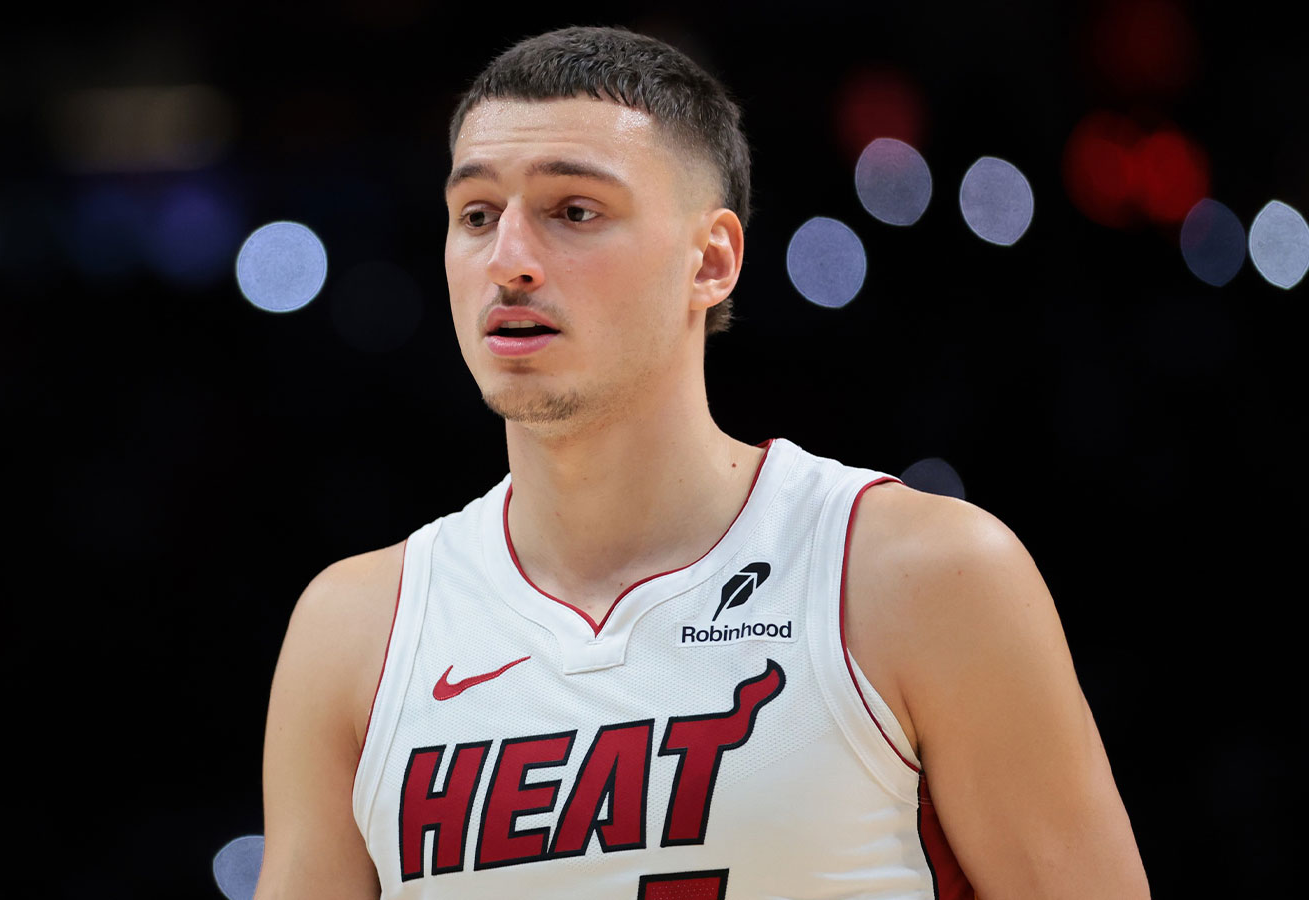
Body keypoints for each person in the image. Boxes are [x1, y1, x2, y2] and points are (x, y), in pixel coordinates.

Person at [256, 25, 1148, 900]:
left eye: (574, 211)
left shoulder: (922, 575)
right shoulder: (356, 631)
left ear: (711, 260)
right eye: (477, 216)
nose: (509, 261)